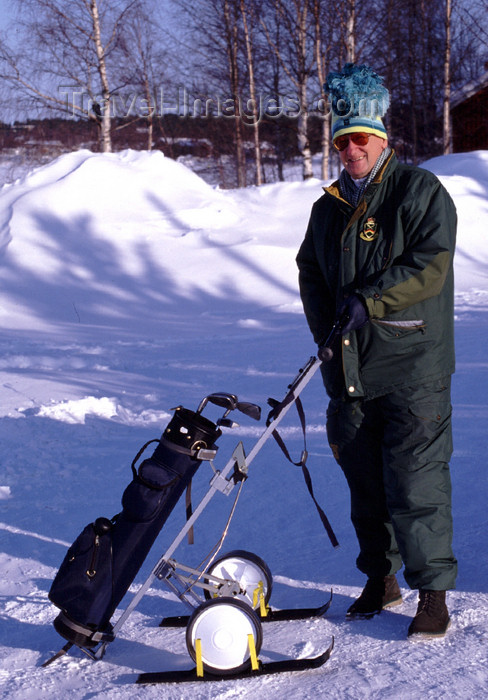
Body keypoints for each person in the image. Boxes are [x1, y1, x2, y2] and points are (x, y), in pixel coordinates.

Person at [296, 63, 457, 638]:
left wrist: (370, 300)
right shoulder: (328, 208)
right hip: (351, 366)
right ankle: (380, 578)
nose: (350, 148)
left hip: (412, 363)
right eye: (342, 139)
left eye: (360, 137)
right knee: (364, 481)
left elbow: (431, 264)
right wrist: (327, 330)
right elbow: (311, 274)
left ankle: (432, 592)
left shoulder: (418, 191)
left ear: (382, 138)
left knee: (416, 481)